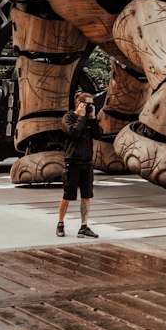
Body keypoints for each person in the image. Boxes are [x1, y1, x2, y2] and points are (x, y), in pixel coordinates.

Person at [56, 92, 100, 238]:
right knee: (68, 195)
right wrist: (81, 116)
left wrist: (92, 118)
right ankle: (60, 223)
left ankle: (84, 226)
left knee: (86, 196)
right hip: (72, 161)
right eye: (88, 104)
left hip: (86, 162)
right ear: (79, 103)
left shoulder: (89, 119)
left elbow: (98, 134)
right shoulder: (69, 117)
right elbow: (73, 133)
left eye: (92, 104)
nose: (90, 107)